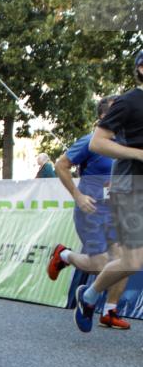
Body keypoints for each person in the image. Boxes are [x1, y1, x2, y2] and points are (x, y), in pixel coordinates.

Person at [74, 50, 143, 332]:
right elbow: (98, 143)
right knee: (131, 261)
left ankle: (91, 297)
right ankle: (89, 296)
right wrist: (137, 154)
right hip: (130, 185)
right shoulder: (127, 102)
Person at [48, 96, 130, 329]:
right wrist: (77, 195)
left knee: (126, 262)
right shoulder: (89, 142)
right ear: (104, 117)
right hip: (91, 210)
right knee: (102, 263)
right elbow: (61, 165)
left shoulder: (127, 143)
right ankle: (64, 255)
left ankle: (109, 311)